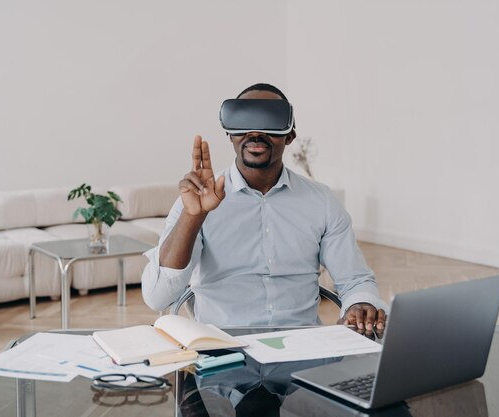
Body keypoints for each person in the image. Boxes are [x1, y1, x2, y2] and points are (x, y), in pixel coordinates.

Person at [142, 83, 386, 333]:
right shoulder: (195, 202)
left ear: (290, 135)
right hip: (222, 348)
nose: (255, 132)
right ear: (230, 133)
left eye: (269, 121)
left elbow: (355, 279)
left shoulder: (321, 202)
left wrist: (360, 303)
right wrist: (194, 217)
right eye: (244, 121)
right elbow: (157, 297)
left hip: (303, 346)